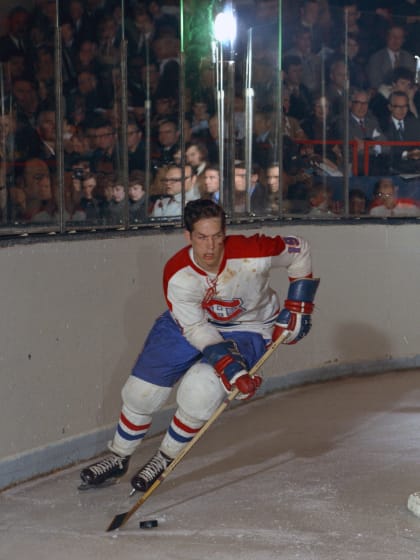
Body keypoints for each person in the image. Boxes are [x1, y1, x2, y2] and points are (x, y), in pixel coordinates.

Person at [79, 198, 319, 492]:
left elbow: (300, 250)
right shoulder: (179, 275)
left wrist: (299, 308)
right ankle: (118, 455)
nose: (210, 247)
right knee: (141, 393)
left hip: (249, 328)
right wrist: (233, 372)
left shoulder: (254, 252)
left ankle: (164, 457)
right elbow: (195, 329)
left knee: (200, 390)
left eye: (217, 237)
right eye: (202, 238)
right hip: (192, 324)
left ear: (225, 233)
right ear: (188, 236)